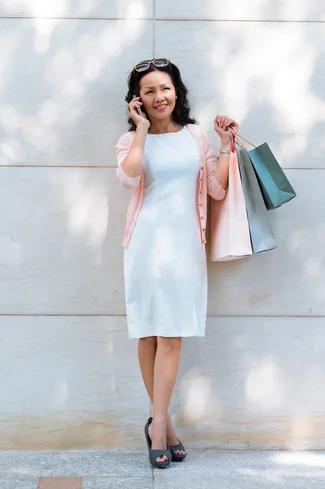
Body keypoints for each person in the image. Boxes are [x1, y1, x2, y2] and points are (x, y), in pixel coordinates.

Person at [115, 57, 238, 468]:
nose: (158, 96)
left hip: (185, 247)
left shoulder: (195, 135)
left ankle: (157, 422)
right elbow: (128, 176)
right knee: (148, 334)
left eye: (164, 88)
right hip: (145, 247)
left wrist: (224, 146)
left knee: (173, 335)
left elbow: (217, 190)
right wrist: (143, 132)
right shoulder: (130, 140)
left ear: (176, 91)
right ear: (138, 100)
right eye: (148, 91)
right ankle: (162, 427)